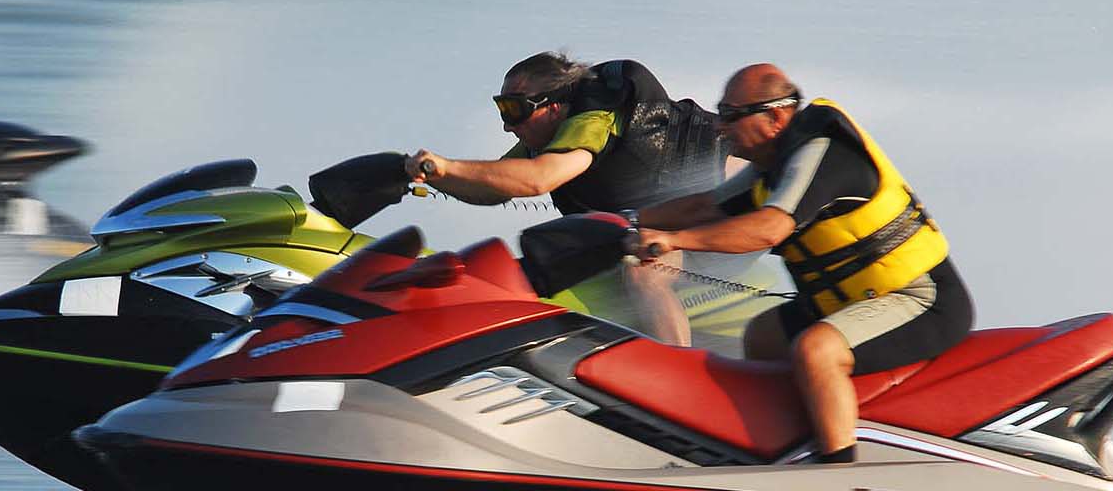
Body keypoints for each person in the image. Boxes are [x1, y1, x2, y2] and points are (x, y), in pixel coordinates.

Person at [629, 63, 973, 463]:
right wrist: (633, 221)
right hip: (854, 300)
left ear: (775, 116)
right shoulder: (773, 166)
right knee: (763, 336)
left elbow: (770, 229)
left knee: (817, 351)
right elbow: (707, 207)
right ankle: (771, 450)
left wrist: (671, 241)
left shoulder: (823, 154)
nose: (720, 127)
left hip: (920, 299)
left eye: (731, 115)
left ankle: (838, 472)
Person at [404, 52, 727, 344]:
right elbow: (496, 187)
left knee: (643, 274)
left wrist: (447, 166)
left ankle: (676, 380)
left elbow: (539, 179)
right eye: (502, 108)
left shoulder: (593, 121)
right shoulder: (544, 135)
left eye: (514, 109)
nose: (506, 125)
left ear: (553, 106)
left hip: (712, 214)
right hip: (657, 218)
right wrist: (434, 175)